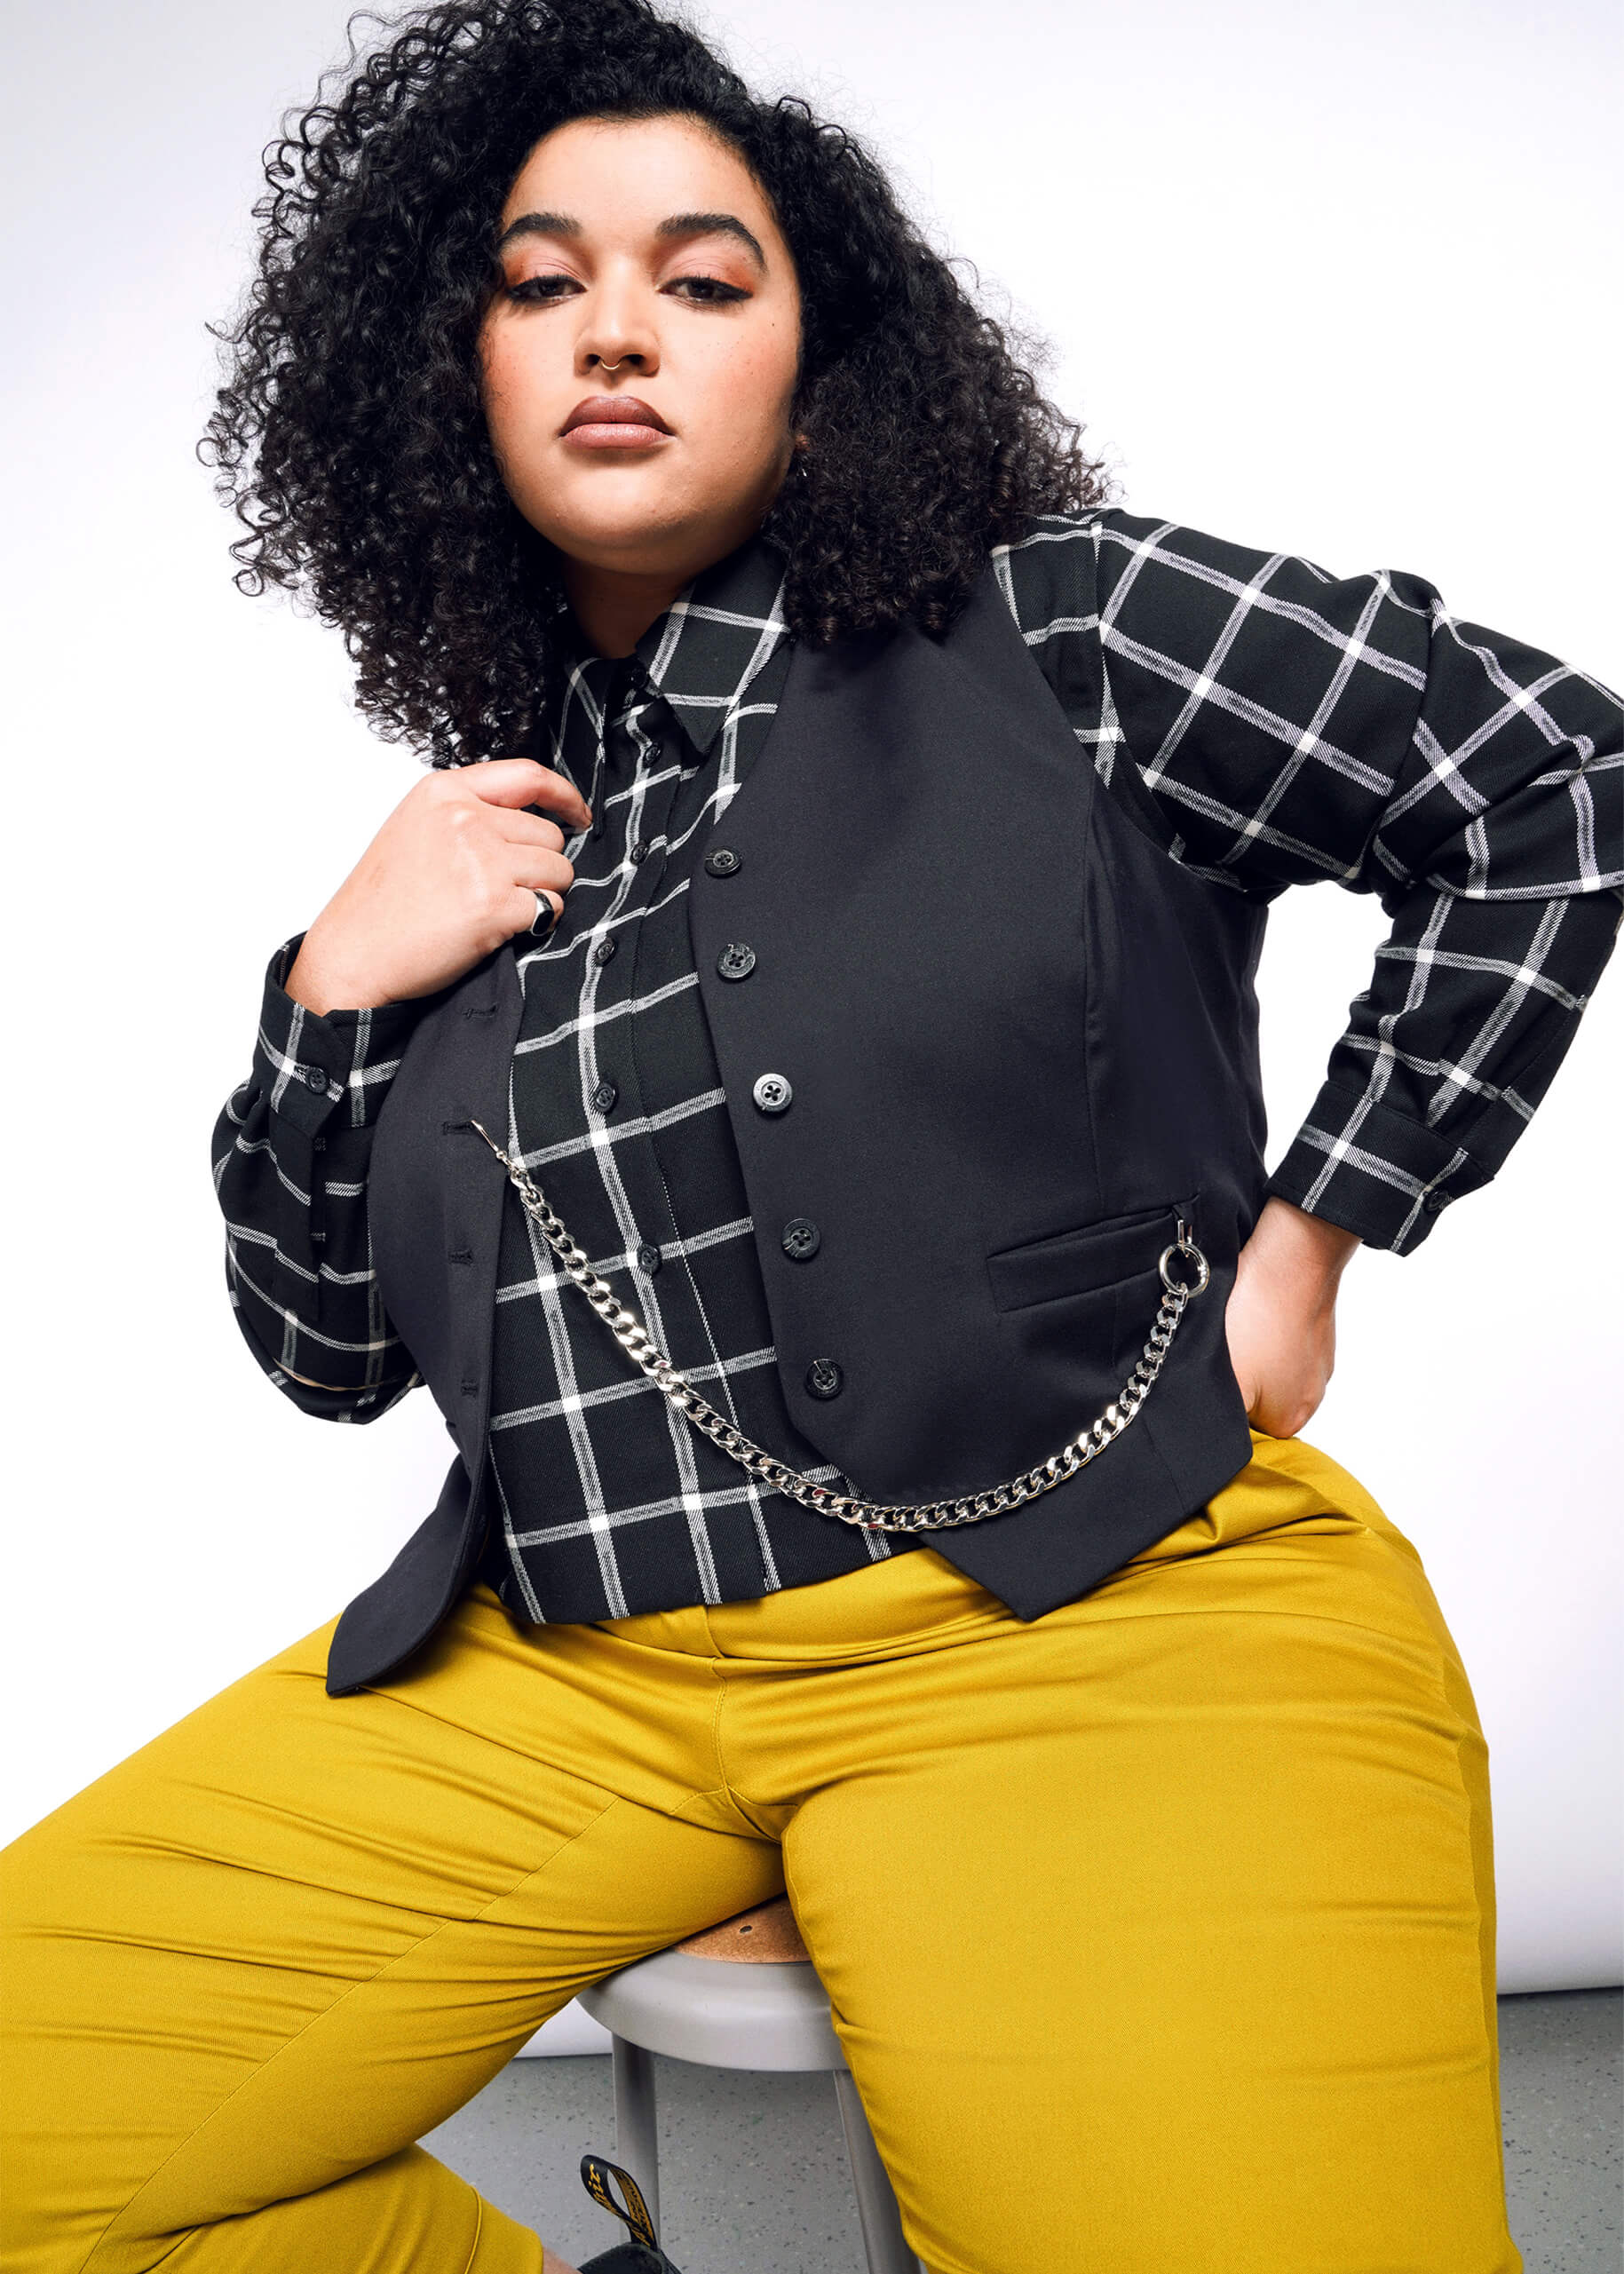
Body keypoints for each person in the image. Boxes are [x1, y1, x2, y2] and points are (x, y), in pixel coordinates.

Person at [3, 2, 1619, 2269]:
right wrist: (325, 997)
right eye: (539, 282)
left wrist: (1325, 1226)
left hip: (1091, 1618)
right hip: (562, 1673)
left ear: (819, 356)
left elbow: (1545, 776)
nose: (616, 334)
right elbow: (324, 1351)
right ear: (438, 376)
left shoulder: (1062, 633)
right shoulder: (486, 860)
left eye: (703, 277)